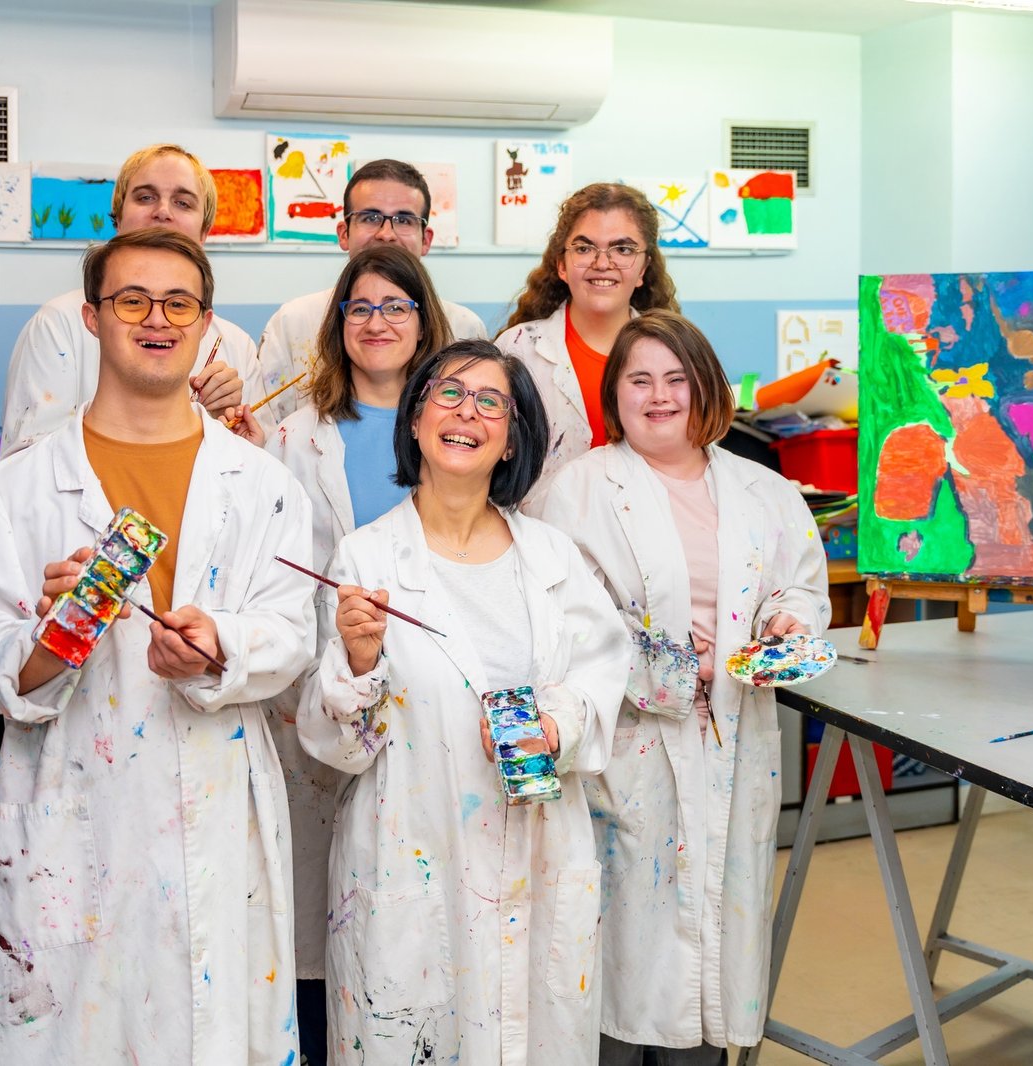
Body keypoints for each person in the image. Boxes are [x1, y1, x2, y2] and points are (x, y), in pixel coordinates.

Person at [0, 227, 317, 1064]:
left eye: (179, 302)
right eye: (131, 299)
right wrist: (49, 639)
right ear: (93, 317)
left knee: (212, 1030)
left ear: (207, 325)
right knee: (73, 1030)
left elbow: (293, 631)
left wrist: (222, 647)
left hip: (217, 807)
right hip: (71, 809)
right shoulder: (25, 484)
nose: (156, 319)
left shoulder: (262, 484)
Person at [297, 339, 629, 1065]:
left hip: (539, 849)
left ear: (511, 438)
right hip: (412, 853)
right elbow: (335, 745)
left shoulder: (550, 555)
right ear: (415, 419)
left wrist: (556, 726)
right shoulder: (368, 558)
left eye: (490, 402)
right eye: (447, 394)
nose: (466, 413)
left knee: (530, 1032)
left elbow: (603, 670)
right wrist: (356, 661)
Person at [529, 311, 831, 1065]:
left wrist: (786, 623)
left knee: (715, 952)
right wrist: (670, 667)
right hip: (629, 754)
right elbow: (557, 626)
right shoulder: (578, 489)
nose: (659, 396)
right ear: (615, 394)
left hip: (735, 741)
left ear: (704, 388)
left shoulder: (764, 491)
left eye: (676, 378)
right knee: (623, 955)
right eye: (639, 380)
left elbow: (800, 588)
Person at [259, 241, 452, 1066]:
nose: (377, 322)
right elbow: (270, 563)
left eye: (396, 306)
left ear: (424, 321)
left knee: (424, 897)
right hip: (324, 689)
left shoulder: (456, 418)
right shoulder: (296, 436)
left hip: (437, 693)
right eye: (360, 307)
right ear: (337, 324)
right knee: (316, 903)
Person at [0, 143, 262, 457]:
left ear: (204, 232)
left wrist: (222, 428)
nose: (162, 212)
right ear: (118, 221)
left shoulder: (236, 345)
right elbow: (28, 466)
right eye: (145, 197)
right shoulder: (58, 325)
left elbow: (261, 466)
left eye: (183, 202)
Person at [252, 158, 488, 427]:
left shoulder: (464, 329)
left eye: (404, 219)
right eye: (370, 217)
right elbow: (268, 433)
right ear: (343, 233)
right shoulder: (292, 323)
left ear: (426, 239)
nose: (386, 234)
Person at [496, 182, 680, 487]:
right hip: (539, 528)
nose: (603, 264)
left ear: (644, 268)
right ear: (562, 265)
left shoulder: (674, 353)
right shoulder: (518, 350)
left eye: (623, 249)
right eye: (584, 248)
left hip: (644, 525)